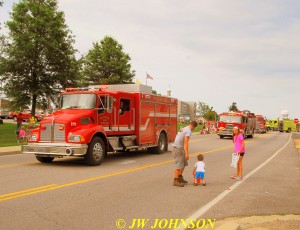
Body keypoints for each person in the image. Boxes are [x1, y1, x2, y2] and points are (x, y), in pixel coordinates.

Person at [172, 120, 198, 187]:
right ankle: (176, 180)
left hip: (180, 148)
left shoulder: (185, 128)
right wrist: (187, 153)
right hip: (178, 148)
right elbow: (186, 142)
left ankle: (180, 177)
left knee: (183, 163)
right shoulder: (188, 131)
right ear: (194, 127)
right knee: (178, 165)